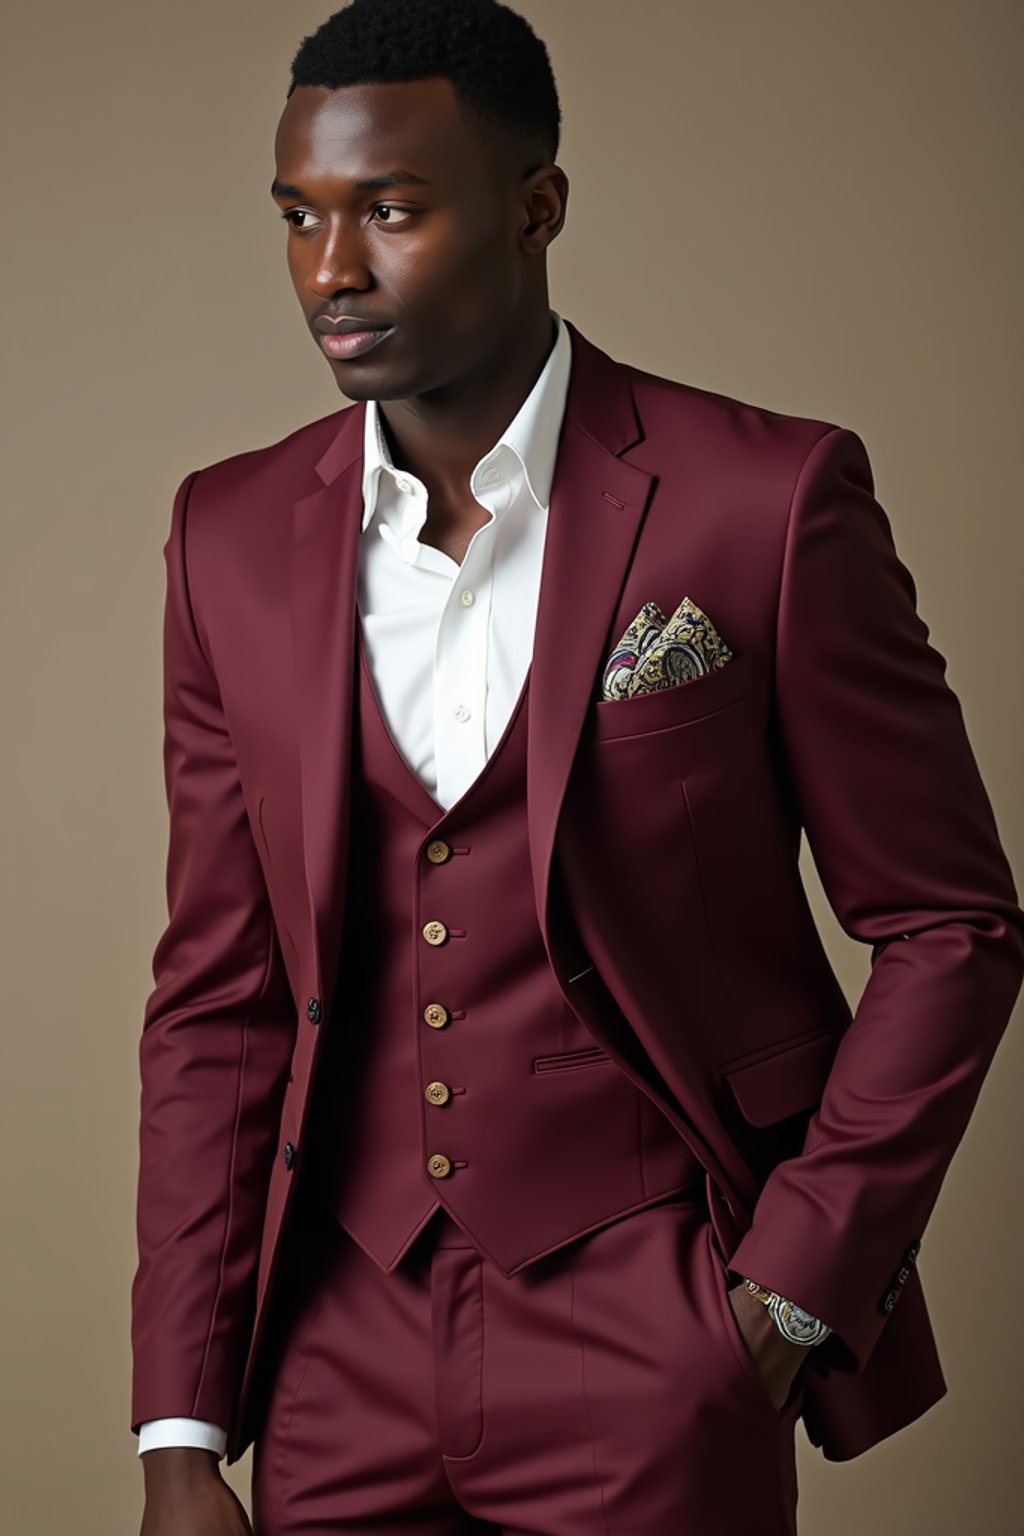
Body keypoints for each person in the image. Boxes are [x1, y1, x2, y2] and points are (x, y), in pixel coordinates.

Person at [129, 1, 1024, 1532]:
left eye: (391, 210)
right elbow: (220, 996)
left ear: (536, 208)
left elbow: (952, 925)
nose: (331, 271)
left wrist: (787, 1295)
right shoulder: (227, 535)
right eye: (299, 216)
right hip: (334, 1346)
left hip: (655, 1329)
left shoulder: (764, 498)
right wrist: (180, 1430)